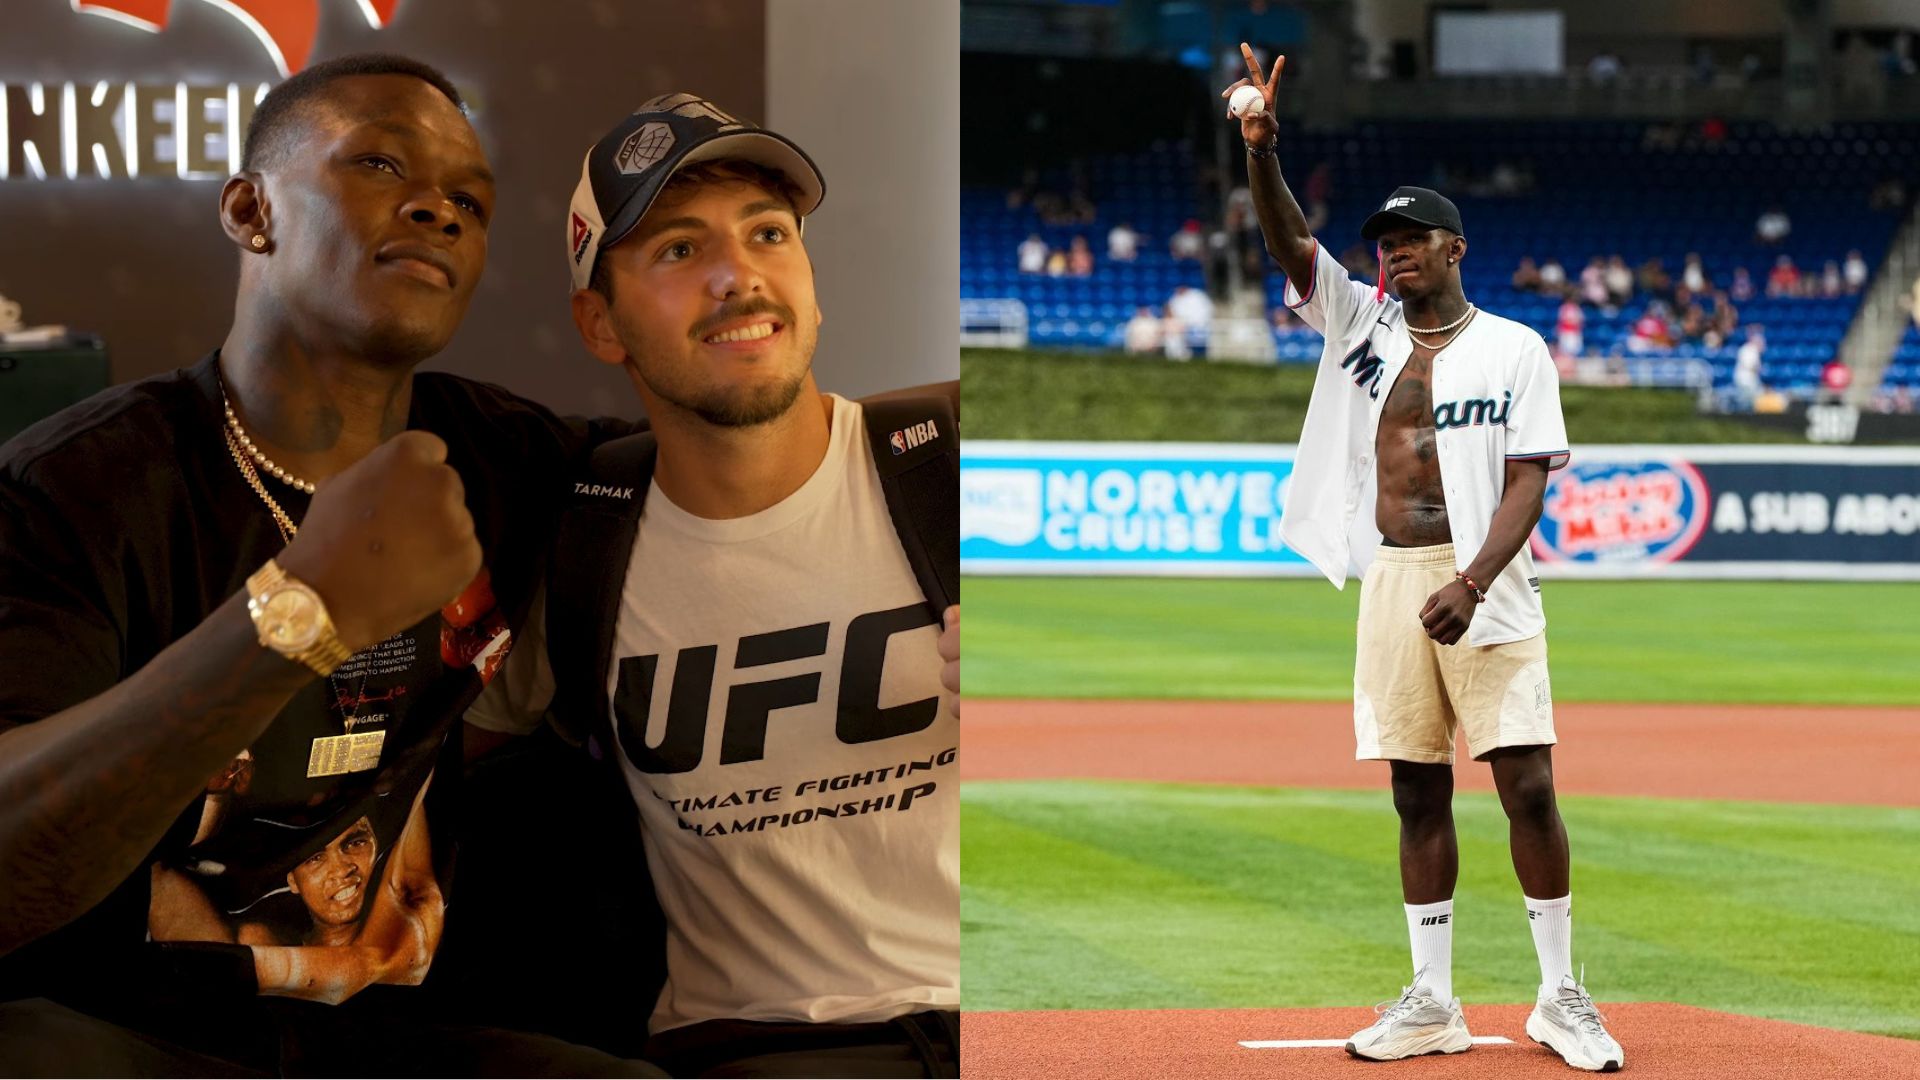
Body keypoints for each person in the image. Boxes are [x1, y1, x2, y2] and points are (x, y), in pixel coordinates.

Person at [0, 54, 659, 1076]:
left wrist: (920, 468)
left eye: (470, 202)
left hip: (394, 1039)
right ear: (251, 210)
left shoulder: (510, 458)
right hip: (122, 1031)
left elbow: (740, 456)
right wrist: (295, 616)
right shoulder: (73, 493)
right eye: (383, 166)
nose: (439, 209)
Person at [467, 93, 959, 1078]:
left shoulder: (950, 463)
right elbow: (423, 798)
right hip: (754, 1050)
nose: (740, 277)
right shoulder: (573, 548)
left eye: (769, 234)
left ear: (812, 286)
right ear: (600, 325)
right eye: (680, 250)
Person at [1222, 44, 1624, 1073]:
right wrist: (1261, 151)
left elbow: (1533, 476)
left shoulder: (1515, 349)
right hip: (1396, 577)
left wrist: (1474, 579)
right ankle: (1434, 1002)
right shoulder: (1360, 327)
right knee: (1416, 792)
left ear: (1454, 247)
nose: (1392, 254)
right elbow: (1290, 247)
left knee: (1526, 784)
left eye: (1409, 241)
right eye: (1384, 243)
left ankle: (1561, 996)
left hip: (1482, 577)